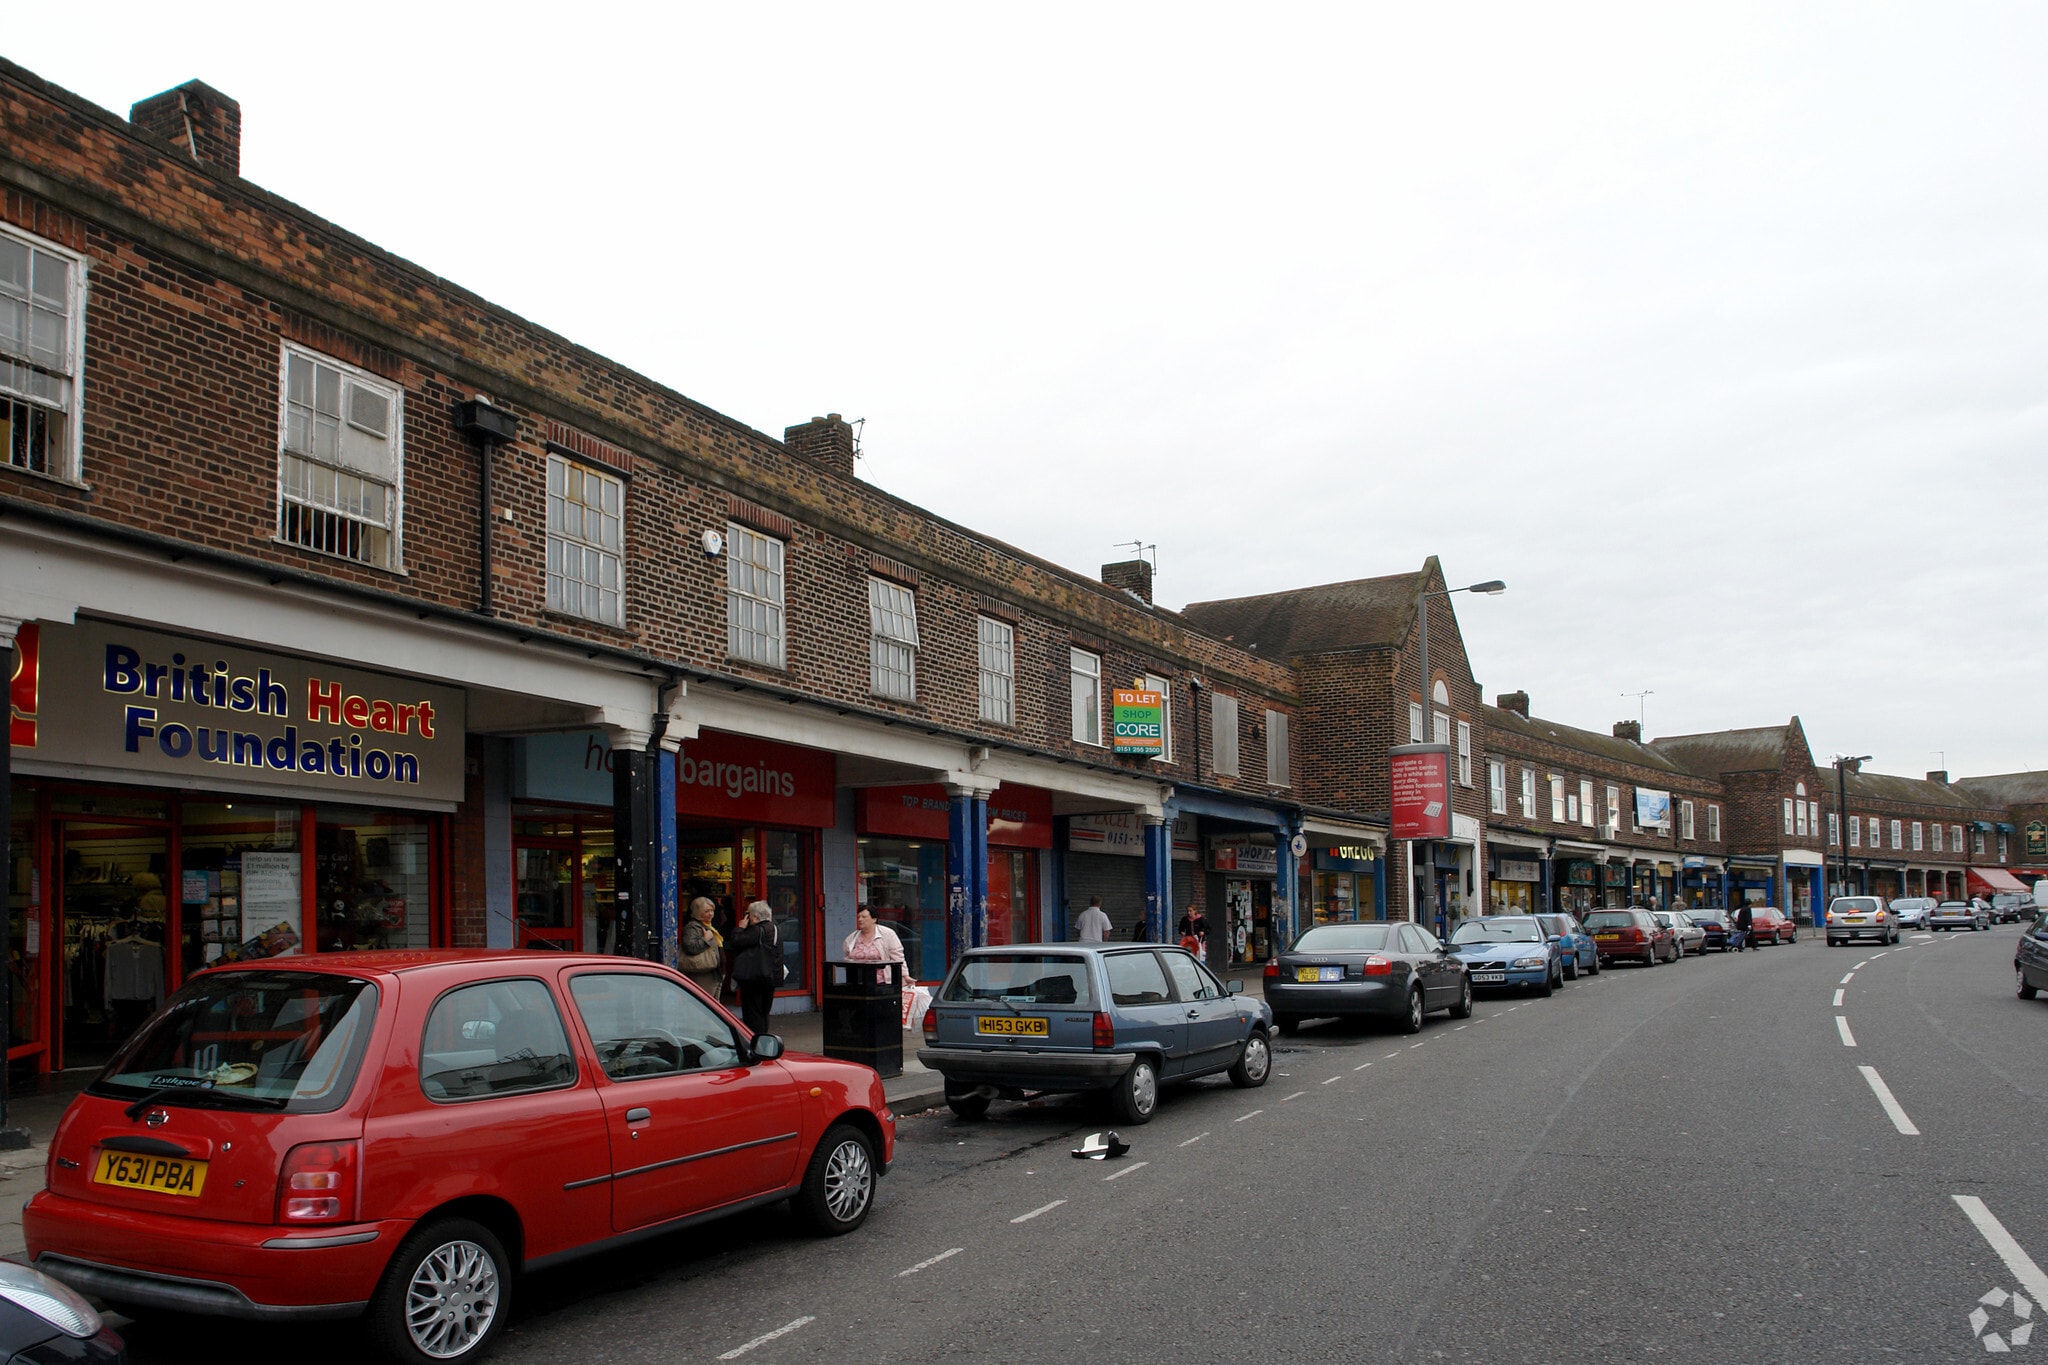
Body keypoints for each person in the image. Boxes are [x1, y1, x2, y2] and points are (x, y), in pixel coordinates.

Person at [726, 901, 783, 1035]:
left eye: (749, 915)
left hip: (754, 978)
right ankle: (763, 1038)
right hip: (770, 977)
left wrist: (740, 928)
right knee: (764, 1012)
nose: (748, 918)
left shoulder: (757, 930)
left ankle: (756, 1040)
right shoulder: (775, 929)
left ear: (756, 917)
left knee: (753, 1013)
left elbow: (736, 942)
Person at [843, 906, 907, 982]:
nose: (860, 919)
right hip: (858, 982)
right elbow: (847, 959)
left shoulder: (888, 934)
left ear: (874, 919)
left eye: (864, 917)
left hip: (882, 982)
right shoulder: (851, 938)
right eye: (858, 917)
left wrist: (904, 975)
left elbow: (897, 957)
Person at [679, 896, 724, 999]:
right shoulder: (693, 928)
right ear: (698, 912)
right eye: (707, 911)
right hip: (702, 975)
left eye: (712, 910)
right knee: (705, 1002)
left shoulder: (708, 926)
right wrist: (705, 939)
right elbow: (690, 947)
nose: (711, 914)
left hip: (713, 974)